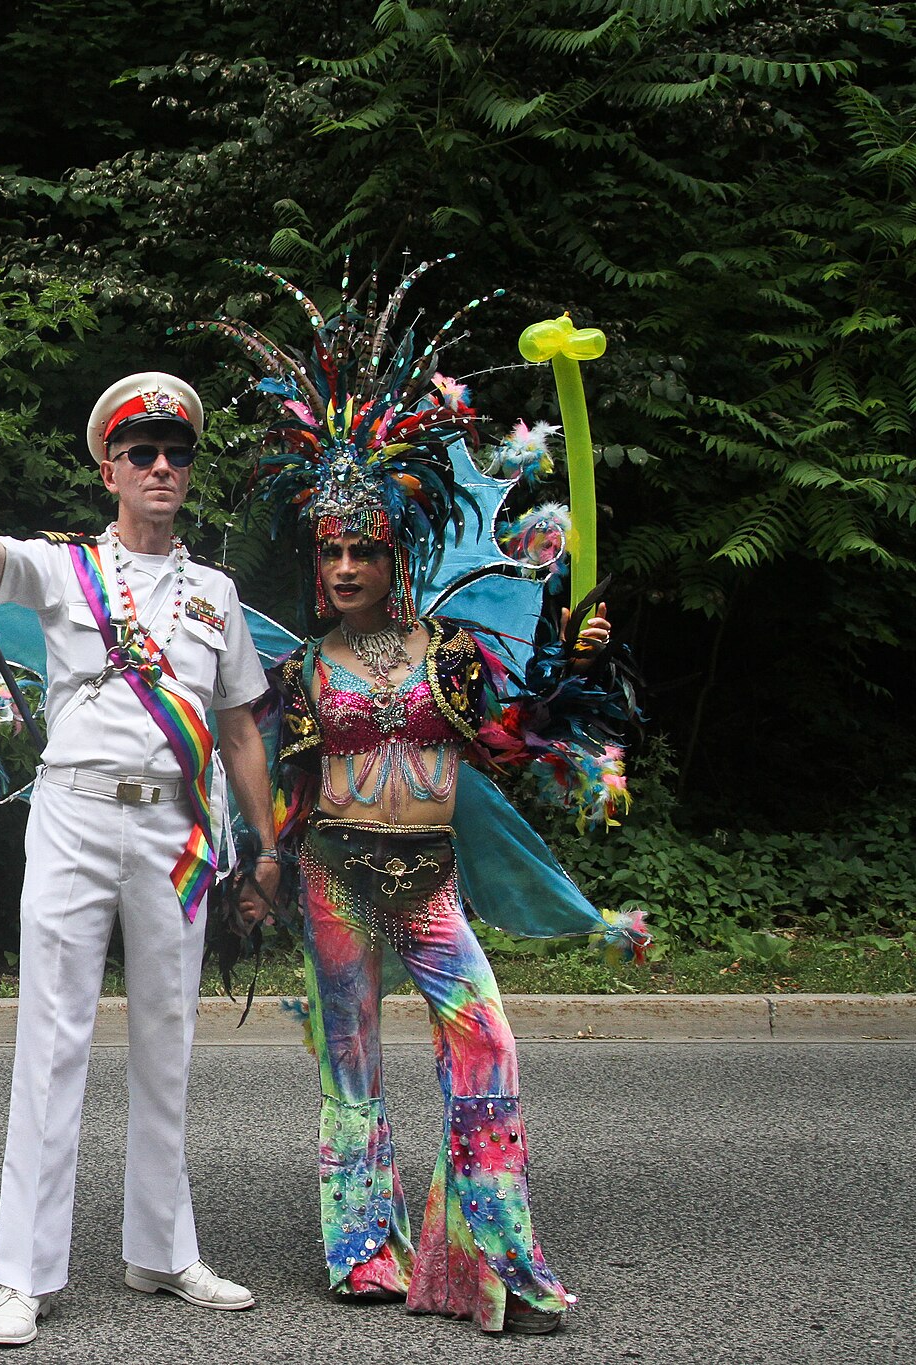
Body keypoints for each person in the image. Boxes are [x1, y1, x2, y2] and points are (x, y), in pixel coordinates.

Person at [219, 265, 641, 1336]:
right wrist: (263, 866)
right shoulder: (300, 669)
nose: (348, 563)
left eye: (364, 547)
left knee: (485, 1042)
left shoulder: (448, 653)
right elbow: (292, 786)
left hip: (427, 881)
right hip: (337, 878)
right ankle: (360, 1251)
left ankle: (485, 1255)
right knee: (350, 1064)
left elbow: (499, 740)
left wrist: (571, 671)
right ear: (317, 562)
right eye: (332, 549)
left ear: (394, 553)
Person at [0, 373, 281, 1348]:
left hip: (173, 833)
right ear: (108, 468)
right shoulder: (61, 570)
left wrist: (263, 848)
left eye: (175, 453)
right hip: (72, 818)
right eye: (140, 452)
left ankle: (162, 1250)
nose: (159, 467)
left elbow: (237, 735)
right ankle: (24, 1272)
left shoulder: (215, 596)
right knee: (52, 1038)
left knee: (167, 1040)